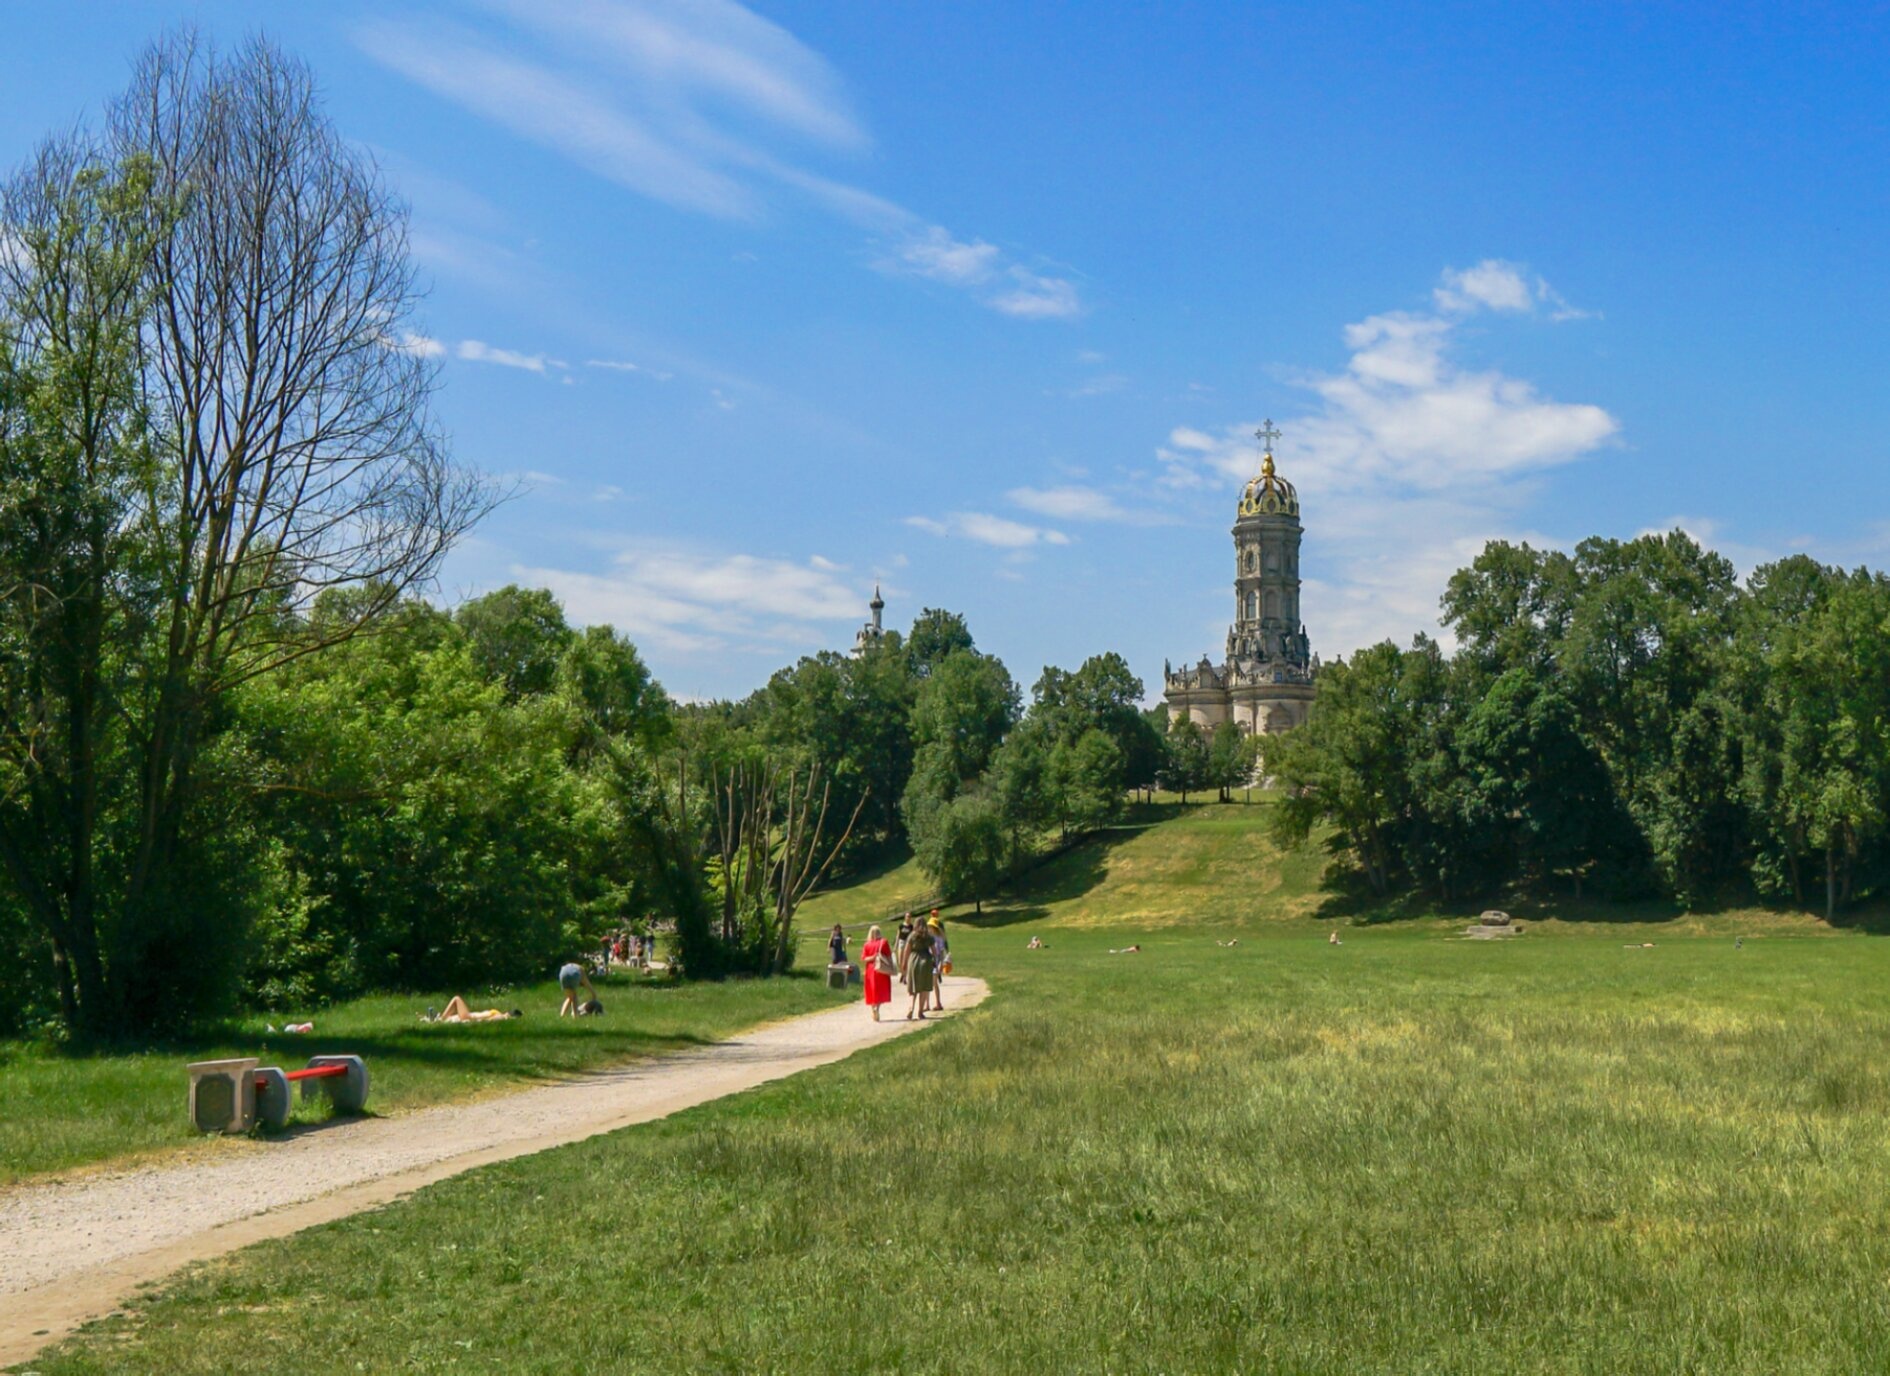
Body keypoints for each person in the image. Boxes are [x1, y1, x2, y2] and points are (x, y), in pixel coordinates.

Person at [860, 923, 893, 1022]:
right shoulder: (884, 942)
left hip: (870, 969)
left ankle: (873, 1009)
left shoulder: (866, 944)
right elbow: (889, 956)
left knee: (871, 991)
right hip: (881, 968)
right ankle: (877, 1008)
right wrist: (891, 967)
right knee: (881, 990)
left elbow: (864, 958)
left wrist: (872, 957)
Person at [905, 923, 936, 1021]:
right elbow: (934, 951)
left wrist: (904, 964)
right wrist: (934, 960)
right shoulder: (929, 936)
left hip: (913, 961)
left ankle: (910, 1007)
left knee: (912, 987)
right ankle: (920, 1012)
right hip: (926, 961)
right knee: (924, 988)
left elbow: (906, 951)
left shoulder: (912, 936)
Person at [428, 996, 522, 1024]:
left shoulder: (501, 1016)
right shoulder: (501, 1016)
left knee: (457, 999)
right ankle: (439, 1018)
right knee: (456, 999)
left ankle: (439, 1018)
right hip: (468, 1016)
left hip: (469, 1017)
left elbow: (489, 1020)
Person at [927, 917, 948, 1012]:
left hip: (936, 961)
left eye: (930, 927)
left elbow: (942, 953)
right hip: (928, 961)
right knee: (927, 983)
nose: (929, 928)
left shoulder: (939, 939)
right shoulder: (928, 938)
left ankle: (938, 1003)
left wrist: (941, 964)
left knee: (934, 983)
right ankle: (926, 1004)